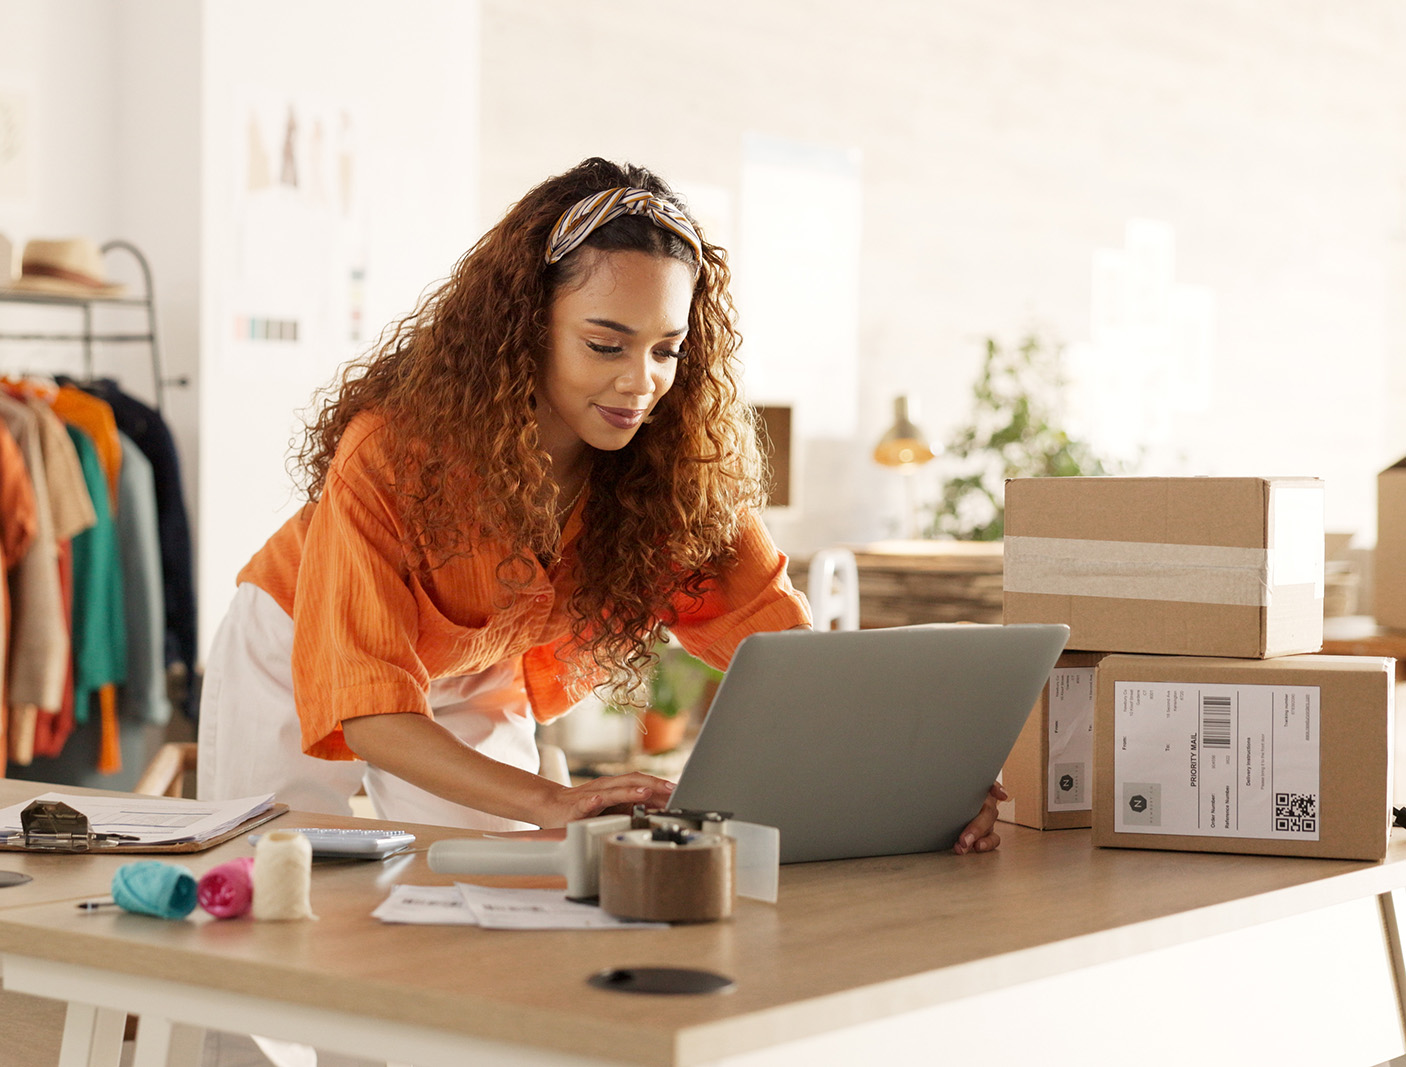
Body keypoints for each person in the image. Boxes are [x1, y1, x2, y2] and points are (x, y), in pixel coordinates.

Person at [197, 157, 1006, 852]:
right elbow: (370, 708)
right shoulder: (392, 452)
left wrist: (925, 777)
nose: (640, 381)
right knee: (270, 881)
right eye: (604, 343)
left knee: (499, 909)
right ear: (526, 325)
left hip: (470, 670)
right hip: (296, 638)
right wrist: (553, 799)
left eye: (666, 349)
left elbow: (791, 656)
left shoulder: (676, 477)